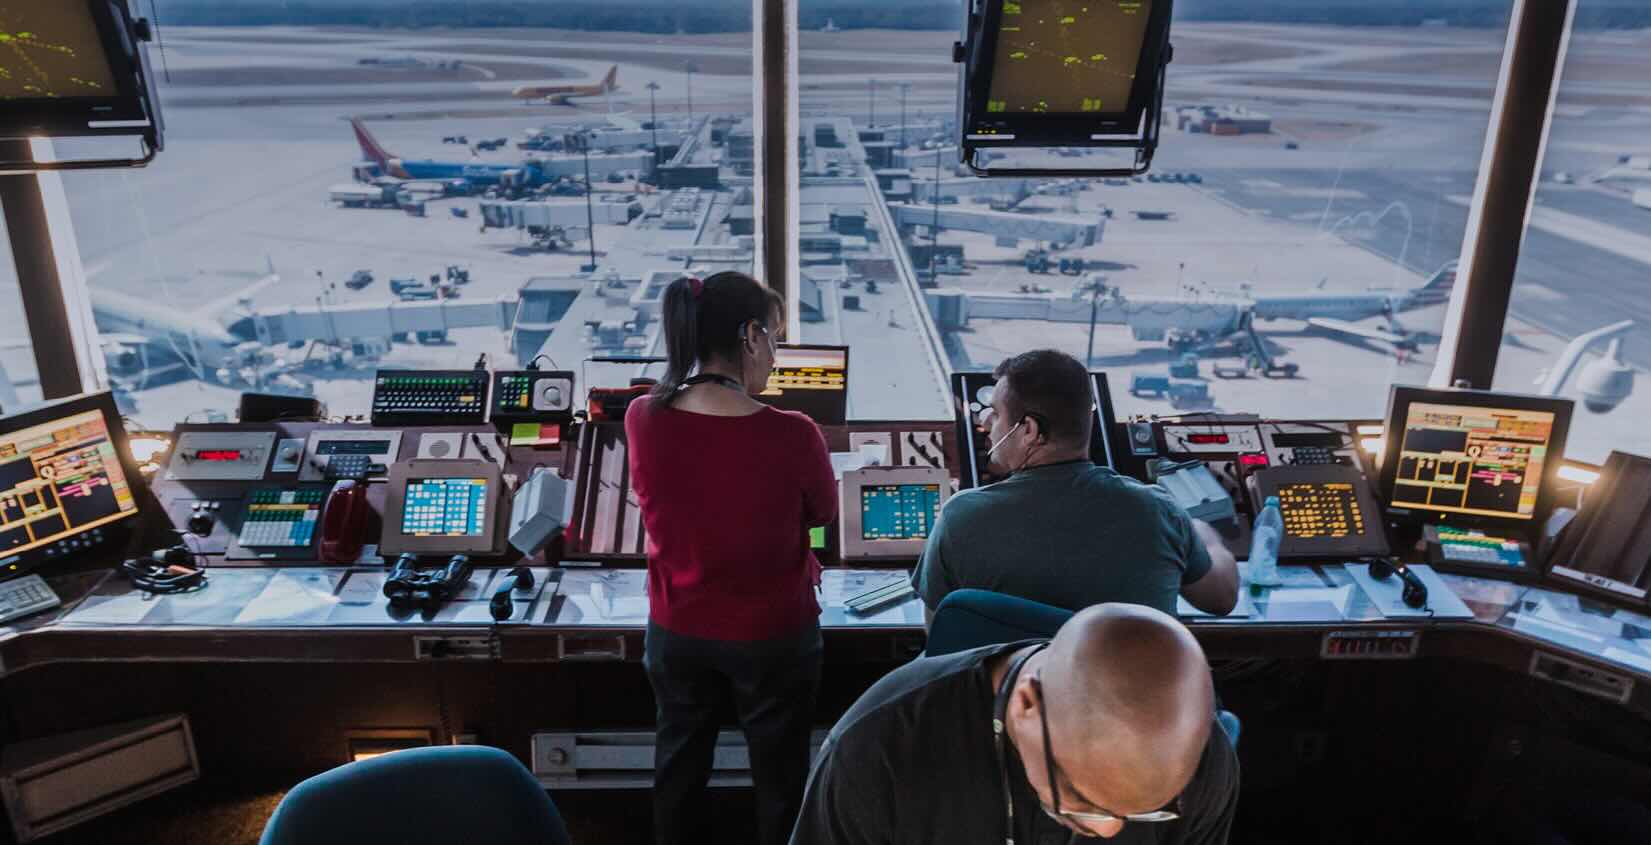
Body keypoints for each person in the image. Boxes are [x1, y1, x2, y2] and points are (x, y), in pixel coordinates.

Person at [625, 271, 837, 845]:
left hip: (677, 631)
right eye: (773, 337)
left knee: (679, 769)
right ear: (749, 336)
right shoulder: (794, 432)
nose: (774, 354)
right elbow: (821, 515)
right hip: (773, 636)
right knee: (781, 780)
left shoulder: (642, 416)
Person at [789, 603, 1239, 844]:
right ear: (1027, 703)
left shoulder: (1206, 760)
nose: (1108, 831)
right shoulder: (878, 747)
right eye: (1082, 800)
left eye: (1146, 810)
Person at [913, 349, 1239, 621]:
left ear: (1028, 429)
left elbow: (938, 634)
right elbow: (1222, 600)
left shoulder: (960, 517)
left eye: (995, 414)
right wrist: (1206, 538)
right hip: (1129, 697)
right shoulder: (1159, 511)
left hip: (1013, 696)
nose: (987, 424)